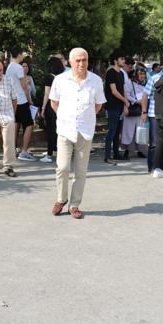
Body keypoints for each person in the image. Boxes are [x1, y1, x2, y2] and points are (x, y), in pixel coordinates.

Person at [49, 47, 106, 219]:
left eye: (84, 60)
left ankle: (74, 205)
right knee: (62, 167)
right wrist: (66, 117)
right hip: (65, 129)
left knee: (80, 171)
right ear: (70, 62)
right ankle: (61, 199)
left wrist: (85, 117)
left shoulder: (95, 80)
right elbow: (54, 103)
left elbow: (98, 105)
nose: (81, 63)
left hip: (85, 130)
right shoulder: (60, 80)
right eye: (78, 60)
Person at [6, 48, 34, 161]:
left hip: (12, 100)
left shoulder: (9, 67)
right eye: (22, 54)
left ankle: (12, 150)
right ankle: (24, 151)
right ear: (19, 54)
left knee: (16, 124)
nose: (23, 56)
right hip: (21, 100)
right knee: (29, 125)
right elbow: (24, 86)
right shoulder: (18, 67)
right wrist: (29, 100)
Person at [103, 50, 128, 165]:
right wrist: (125, 100)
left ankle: (116, 153)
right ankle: (107, 156)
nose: (124, 61)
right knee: (112, 131)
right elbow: (114, 91)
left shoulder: (121, 73)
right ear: (115, 60)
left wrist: (125, 103)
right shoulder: (111, 72)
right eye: (121, 59)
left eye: (124, 59)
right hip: (112, 106)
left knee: (118, 131)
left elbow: (123, 89)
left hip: (120, 106)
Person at [40, 57, 65, 163]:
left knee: (51, 130)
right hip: (62, 105)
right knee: (60, 130)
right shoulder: (64, 77)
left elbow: (47, 94)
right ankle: (58, 151)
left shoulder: (49, 77)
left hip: (51, 105)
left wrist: (43, 108)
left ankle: (49, 154)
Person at [140, 62, 163, 172]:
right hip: (154, 114)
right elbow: (145, 95)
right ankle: (153, 166)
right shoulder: (155, 78)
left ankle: (162, 166)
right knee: (154, 143)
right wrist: (144, 112)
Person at [121, 67, 147, 160]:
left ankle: (141, 150)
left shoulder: (145, 83)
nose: (142, 76)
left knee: (141, 130)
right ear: (135, 74)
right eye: (140, 74)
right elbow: (126, 95)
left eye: (143, 74)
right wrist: (136, 101)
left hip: (141, 110)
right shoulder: (129, 83)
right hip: (132, 109)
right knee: (128, 130)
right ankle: (127, 151)